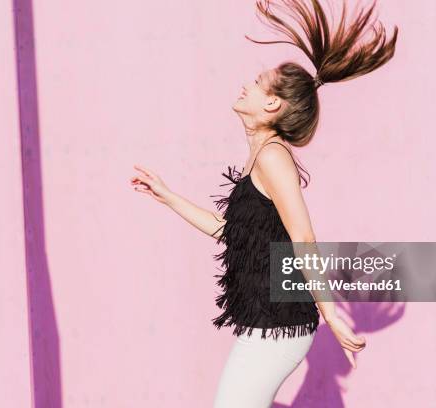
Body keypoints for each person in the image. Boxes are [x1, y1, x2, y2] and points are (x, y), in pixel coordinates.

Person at [130, 0, 398, 406]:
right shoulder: (260, 156)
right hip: (265, 322)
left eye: (257, 82)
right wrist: (168, 196)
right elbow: (229, 231)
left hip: (281, 326)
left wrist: (330, 315)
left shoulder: (273, 158)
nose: (246, 85)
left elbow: (303, 236)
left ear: (272, 105)